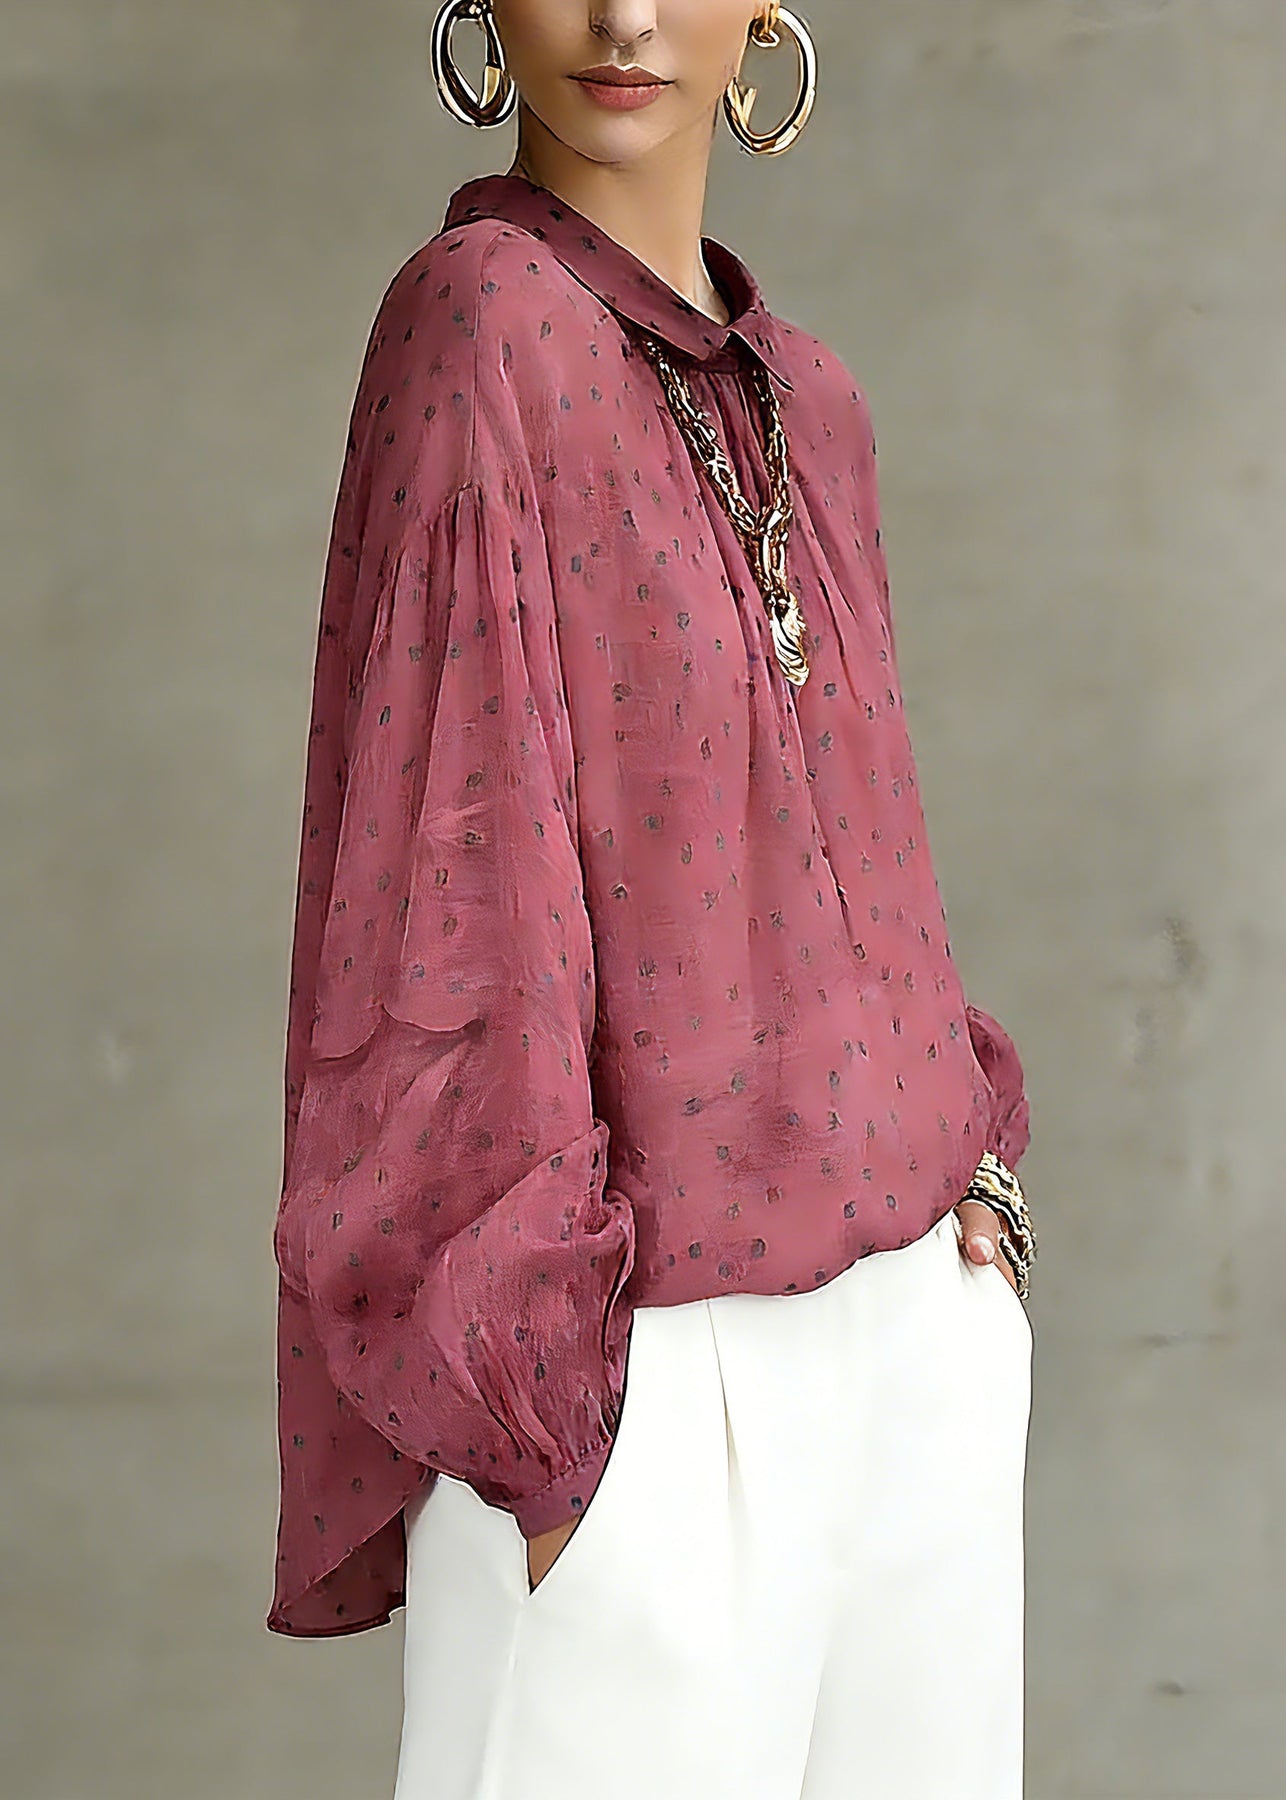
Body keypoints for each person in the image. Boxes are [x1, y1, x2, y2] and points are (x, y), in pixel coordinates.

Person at [267, 3, 1038, 1796]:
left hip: (917, 1339)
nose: (624, 17)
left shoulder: (811, 399)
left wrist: (978, 1186)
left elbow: (859, 844)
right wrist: (548, 1423)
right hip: (649, 1367)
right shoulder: (479, 319)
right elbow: (440, 883)